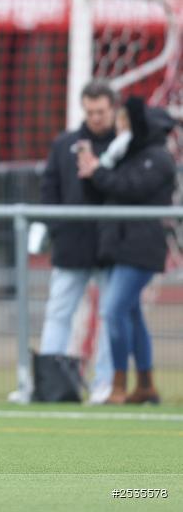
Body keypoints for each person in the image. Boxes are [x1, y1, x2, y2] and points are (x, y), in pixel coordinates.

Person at [11, 80, 118, 405]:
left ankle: (106, 384)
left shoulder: (125, 145)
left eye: (101, 111)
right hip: (72, 245)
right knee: (58, 312)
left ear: (112, 109)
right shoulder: (65, 144)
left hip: (110, 247)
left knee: (111, 315)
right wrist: (55, 228)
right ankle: (48, 383)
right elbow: (50, 191)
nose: (96, 117)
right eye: (90, 111)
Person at [77, 96, 176, 405]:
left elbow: (131, 188)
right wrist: (96, 168)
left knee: (113, 309)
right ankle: (145, 385)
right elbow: (108, 186)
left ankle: (117, 383)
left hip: (142, 248)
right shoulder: (128, 155)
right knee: (131, 315)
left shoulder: (158, 158)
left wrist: (99, 172)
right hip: (120, 246)